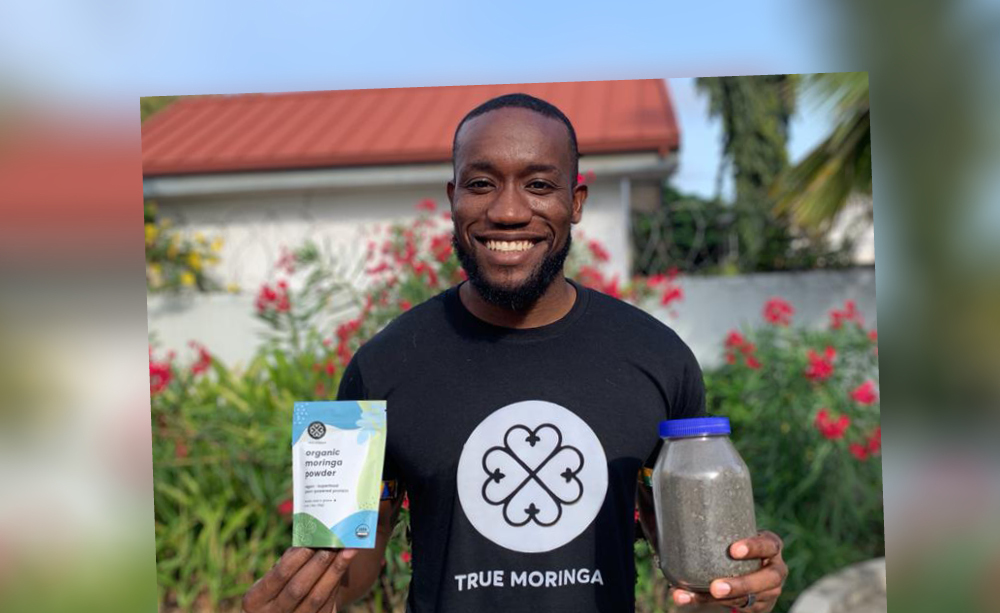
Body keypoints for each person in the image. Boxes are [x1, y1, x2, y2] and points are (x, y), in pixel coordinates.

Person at [241, 93, 787, 613]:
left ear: (574, 203)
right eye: (481, 184)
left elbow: (692, 551)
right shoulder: (376, 367)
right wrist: (302, 593)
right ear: (452, 198)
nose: (507, 212)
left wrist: (741, 584)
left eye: (538, 184)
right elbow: (345, 563)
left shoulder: (661, 359)